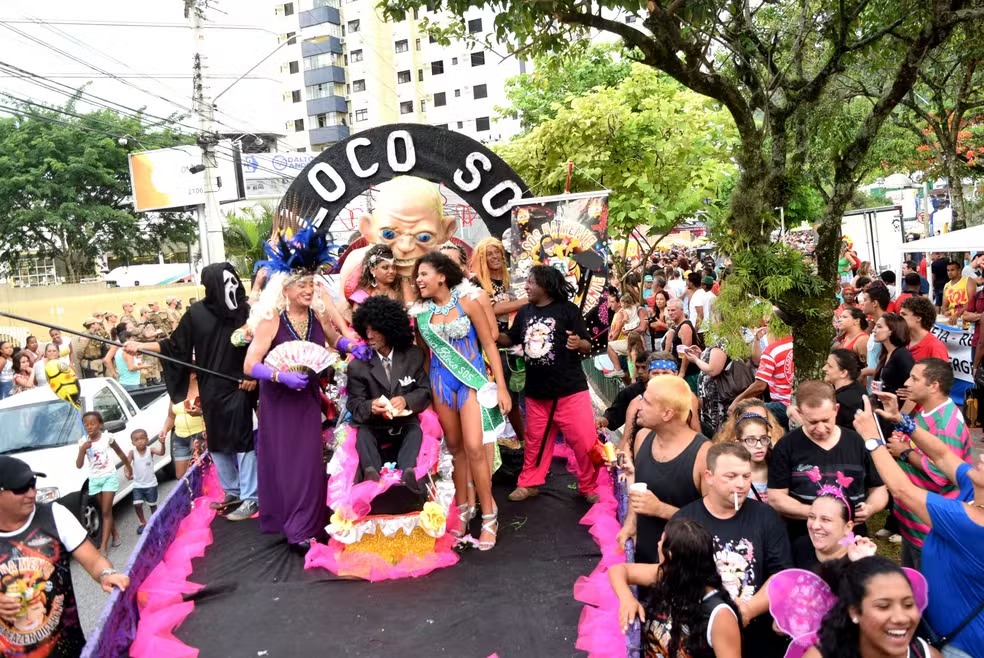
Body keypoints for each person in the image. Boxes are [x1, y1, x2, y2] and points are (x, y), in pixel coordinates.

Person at [125, 264, 259, 522]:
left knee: (243, 442)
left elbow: (261, 344)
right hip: (211, 389)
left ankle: (252, 498)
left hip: (240, 386)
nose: (232, 286)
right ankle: (233, 491)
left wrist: (252, 376)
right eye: (225, 282)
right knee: (218, 443)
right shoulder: (196, 314)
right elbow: (173, 345)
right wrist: (141, 346)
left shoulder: (246, 311)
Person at [854, 394, 983, 658]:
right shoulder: (975, 489)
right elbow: (943, 454)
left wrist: (872, 437)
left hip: (961, 647)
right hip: (939, 630)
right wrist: (903, 421)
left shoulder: (972, 524)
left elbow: (902, 491)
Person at [245, 226, 349, 550]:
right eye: (301, 285)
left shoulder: (317, 316)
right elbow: (250, 365)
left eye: (310, 284)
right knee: (289, 464)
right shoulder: (271, 320)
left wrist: (352, 347)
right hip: (279, 402)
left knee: (310, 462)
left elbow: (335, 341)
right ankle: (296, 528)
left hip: (306, 400)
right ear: (285, 290)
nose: (307, 289)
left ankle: (312, 523)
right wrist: (281, 376)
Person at [416, 251, 510, 550]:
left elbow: (489, 345)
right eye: (417, 276)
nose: (418, 280)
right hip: (441, 385)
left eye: (424, 274)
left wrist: (503, 388)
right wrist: (427, 395)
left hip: (472, 382)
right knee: (455, 450)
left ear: (441, 276)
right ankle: (463, 511)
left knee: (475, 448)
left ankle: (490, 515)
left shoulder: (468, 302)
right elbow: (424, 356)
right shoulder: (421, 315)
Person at [0, 456, 129, 656]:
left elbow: (94, 560)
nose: (31, 493)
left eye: (32, 484)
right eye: (21, 489)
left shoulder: (55, 516)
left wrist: (106, 573)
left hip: (67, 650)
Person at [674, 442, 791, 657]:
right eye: (731, 476)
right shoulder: (685, 520)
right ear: (708, 476)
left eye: (746, 477)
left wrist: (748, 610)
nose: (741, 484)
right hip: (703, 638)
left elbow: (781, 574)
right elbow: (673, 577)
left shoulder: (766, 517)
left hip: (759, 638)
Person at [497, 264, 600, 504]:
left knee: (584, 441)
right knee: (535, 442)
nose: (527, 287)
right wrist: (491, 332)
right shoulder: (524, 312)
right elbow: (510, 340)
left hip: (570, 391)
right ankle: (529, 483)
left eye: (531, 282)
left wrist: (578, 343)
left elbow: (587, 343)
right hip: (536, 393)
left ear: (545, 284)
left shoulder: (569, 311)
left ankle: (588, 486)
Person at [767, 381, 888, 548]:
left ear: (836, 410)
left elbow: (880, 489)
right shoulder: (787, 446)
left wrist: (871, 507)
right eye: (813, 422)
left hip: (852, 541)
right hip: (803, 541)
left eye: (826, 420)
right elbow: (776, 498)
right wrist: (818, 516)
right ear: (800, 414)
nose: (821, 428)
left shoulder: (857, 442)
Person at [608, 518, 742, 658]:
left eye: (661, 541)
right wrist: (627, 598)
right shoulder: (667, 574)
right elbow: (617, 571)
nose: (658, 544)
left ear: (670, 556)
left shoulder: (720, 616)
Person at [884, 358, 973, 570]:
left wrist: (904, 453)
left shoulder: (945, 425)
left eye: (914, 378)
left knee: (926, 594)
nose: (906, 382)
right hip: (914, 524)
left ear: (934, 386)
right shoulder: (926, 411)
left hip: (929, 530)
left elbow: (943, 474)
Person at [618, 375, 710, 564]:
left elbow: (713, 521)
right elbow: (640, 491)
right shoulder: (642, 437)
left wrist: (661, 509)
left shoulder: (704, 454)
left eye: (647, 402)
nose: (638, 406)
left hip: (683, 567)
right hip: (644, 558)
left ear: (667, 414)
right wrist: (631, 523)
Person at [347, 296, 431, 489]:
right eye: (366, 329)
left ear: (389, 329)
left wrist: (405, 400)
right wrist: (371, 406)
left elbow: (425, 391)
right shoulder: (357, 365)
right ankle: (371, 473)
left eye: (375, 330)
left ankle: (409, 473)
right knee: (363, 434)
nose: (369, 335)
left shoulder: (414, 355)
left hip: (405, 422)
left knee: (414, 430)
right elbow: (354, 403)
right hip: (373, 424)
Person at [802, 556, 940, 658]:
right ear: (854, 612)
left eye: (908, 604)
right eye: (884, 606)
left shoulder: (927, 655)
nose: (901, 618)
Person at [75, 411, 130, 555]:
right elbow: (79, 465)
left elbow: (121, 453)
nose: (89, 427)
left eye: (92, 424)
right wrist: (82, 450)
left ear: (100, 424)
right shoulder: (83, 442)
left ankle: (104, 546)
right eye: (86, 425)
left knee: (106, 511)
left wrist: (128, 467)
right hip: (95, 479)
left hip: (109, 476)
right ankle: (115, 533)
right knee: (105, 510)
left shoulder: (107, 438)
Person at [729, 328, 794, 430]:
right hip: (797, 402)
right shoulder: (796, 343)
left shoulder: (772, 351)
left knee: (746, 412)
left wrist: (738, 400)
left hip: (783, 404)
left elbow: (760, 386)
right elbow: (757, 361)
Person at [157, 371, 203, 481]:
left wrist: (200, 412)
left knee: (201, 468)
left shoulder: (203, 388)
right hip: (180, 436)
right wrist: (164, 429)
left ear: (193, 375)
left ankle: (206, 494)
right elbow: (171, 416)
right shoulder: (176, 391)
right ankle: (192, 496)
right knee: (181, 475)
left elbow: (213, 411)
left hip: (199, 433)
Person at [595, 350, 651, 435]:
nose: (639, 371)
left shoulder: (671, 391)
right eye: (637, 367)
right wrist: (604, 420)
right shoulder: (631, 391)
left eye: (644, 367)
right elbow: (617, 413)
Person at [683, 340, 728, 436]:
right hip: (708, 398)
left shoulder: (722, 341)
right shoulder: (716, 340)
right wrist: (701, 354)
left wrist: (696, 360)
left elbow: (713, 370)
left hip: (716, 396)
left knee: (717, 429)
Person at [729, 412, 773, 504]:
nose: (759, 445)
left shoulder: (778, 466)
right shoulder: (731, 474)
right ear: (738, 443)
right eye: (751, 440)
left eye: (764, 438)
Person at [127, 429, 164, 535]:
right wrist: (127, 473)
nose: (140, 441)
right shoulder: (132, 453)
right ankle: (143, 522)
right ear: (132, 442)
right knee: (137, 505)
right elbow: (127, 464)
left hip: (151, 484)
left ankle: (156, 522)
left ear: (147, 439)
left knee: (152, 505)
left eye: (142, 438)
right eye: (136, 440)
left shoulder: (150, 450)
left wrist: (162, 444)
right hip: (138, 484)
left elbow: (161, 453)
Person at [348, 243, 402, 313]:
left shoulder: (399, 294)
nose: (391, 271)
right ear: (372, 270)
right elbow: (357, 321)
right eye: (385, 267)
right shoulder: (362, 296)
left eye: (393, 267)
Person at [664, 299, 701, 393]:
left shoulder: (685, 327)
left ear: (681, 310)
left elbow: (687, 351)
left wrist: (682, 373)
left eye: (673, 310)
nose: (670, 313)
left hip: (689, 374)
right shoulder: (677, 326)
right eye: (668, 310)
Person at [823, 349, 866, 428]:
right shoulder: (858, 387)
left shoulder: (841, 401)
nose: (824, 368)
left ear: (843, 373)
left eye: (829, 366)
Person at [901, 296, 949, 362]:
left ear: (918, 317)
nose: (899, 317)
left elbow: (941, 371)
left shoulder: (935, 347)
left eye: (904, 314)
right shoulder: (901, 341)